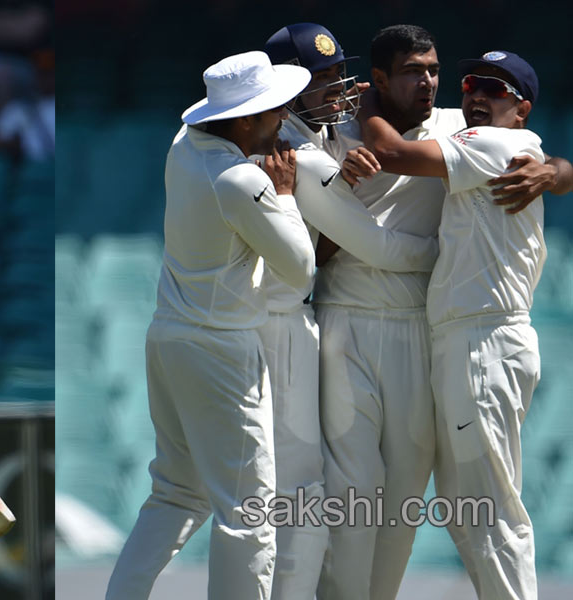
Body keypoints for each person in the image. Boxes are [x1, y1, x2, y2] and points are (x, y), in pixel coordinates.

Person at [314, 25, 572, 600]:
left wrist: (556, 171)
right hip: (364, 324)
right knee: (381, 500)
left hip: (452, 335)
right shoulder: (340, 132)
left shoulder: (466, 130)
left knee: (438, 507)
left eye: (434, 70)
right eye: (415, 71)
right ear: (380, 77)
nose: (433, 83)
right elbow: (311, 247)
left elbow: (531, 152)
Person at [105, 51, 314, 600]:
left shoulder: (183, 146)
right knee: (249, 513)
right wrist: (287, 196)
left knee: (176, 495)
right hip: (220, 351)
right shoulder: (241, 179)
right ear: (245, 120)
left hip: (168, 338)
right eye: (274, 111)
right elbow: (301, 267)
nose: (283, 119)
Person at [258, 23, 441, 600]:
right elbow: (366, 245)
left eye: (340, 73)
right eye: (324, 78)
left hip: (407, 322)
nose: (339, 87)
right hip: (337, 320)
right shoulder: (291, 147)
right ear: (287, 88)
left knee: (405, 489)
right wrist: (452, 259)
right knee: (350, 488)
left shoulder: (332, 132)